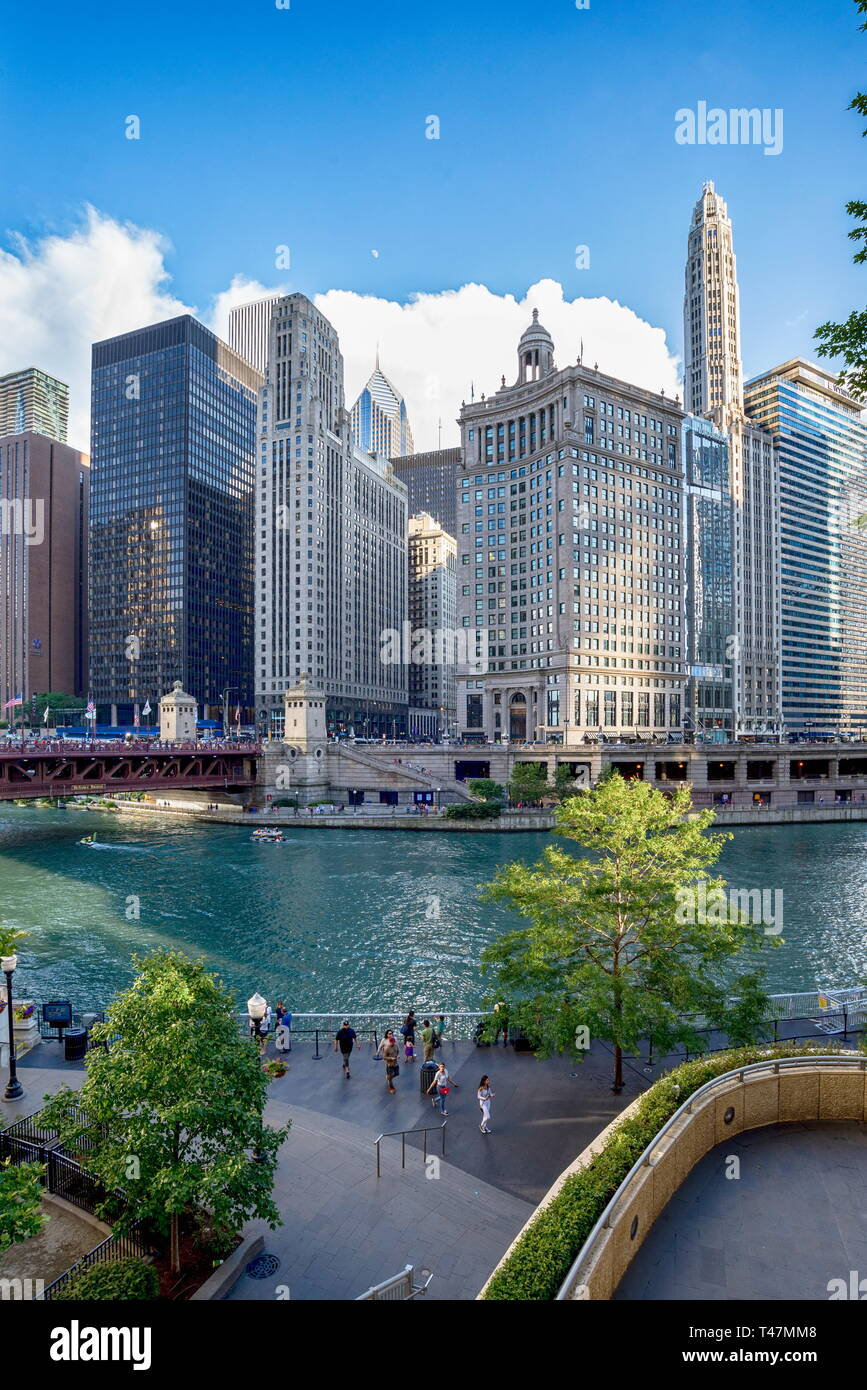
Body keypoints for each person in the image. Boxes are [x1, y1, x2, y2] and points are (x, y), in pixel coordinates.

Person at [376, 1029, 400, 1093]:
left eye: (391, 1033)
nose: (391, 1035)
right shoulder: (384, 1040)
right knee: (389, 1072)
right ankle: (391, 1087)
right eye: (389, 1033)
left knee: (397, 1073)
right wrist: (378, 1052)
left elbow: (398, 1049)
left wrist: (398, 1055)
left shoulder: (395, 1042)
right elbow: (380, 1047)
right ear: (387, 1034)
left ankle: (389, 1077)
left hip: (395, 1060)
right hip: (388, 1060)